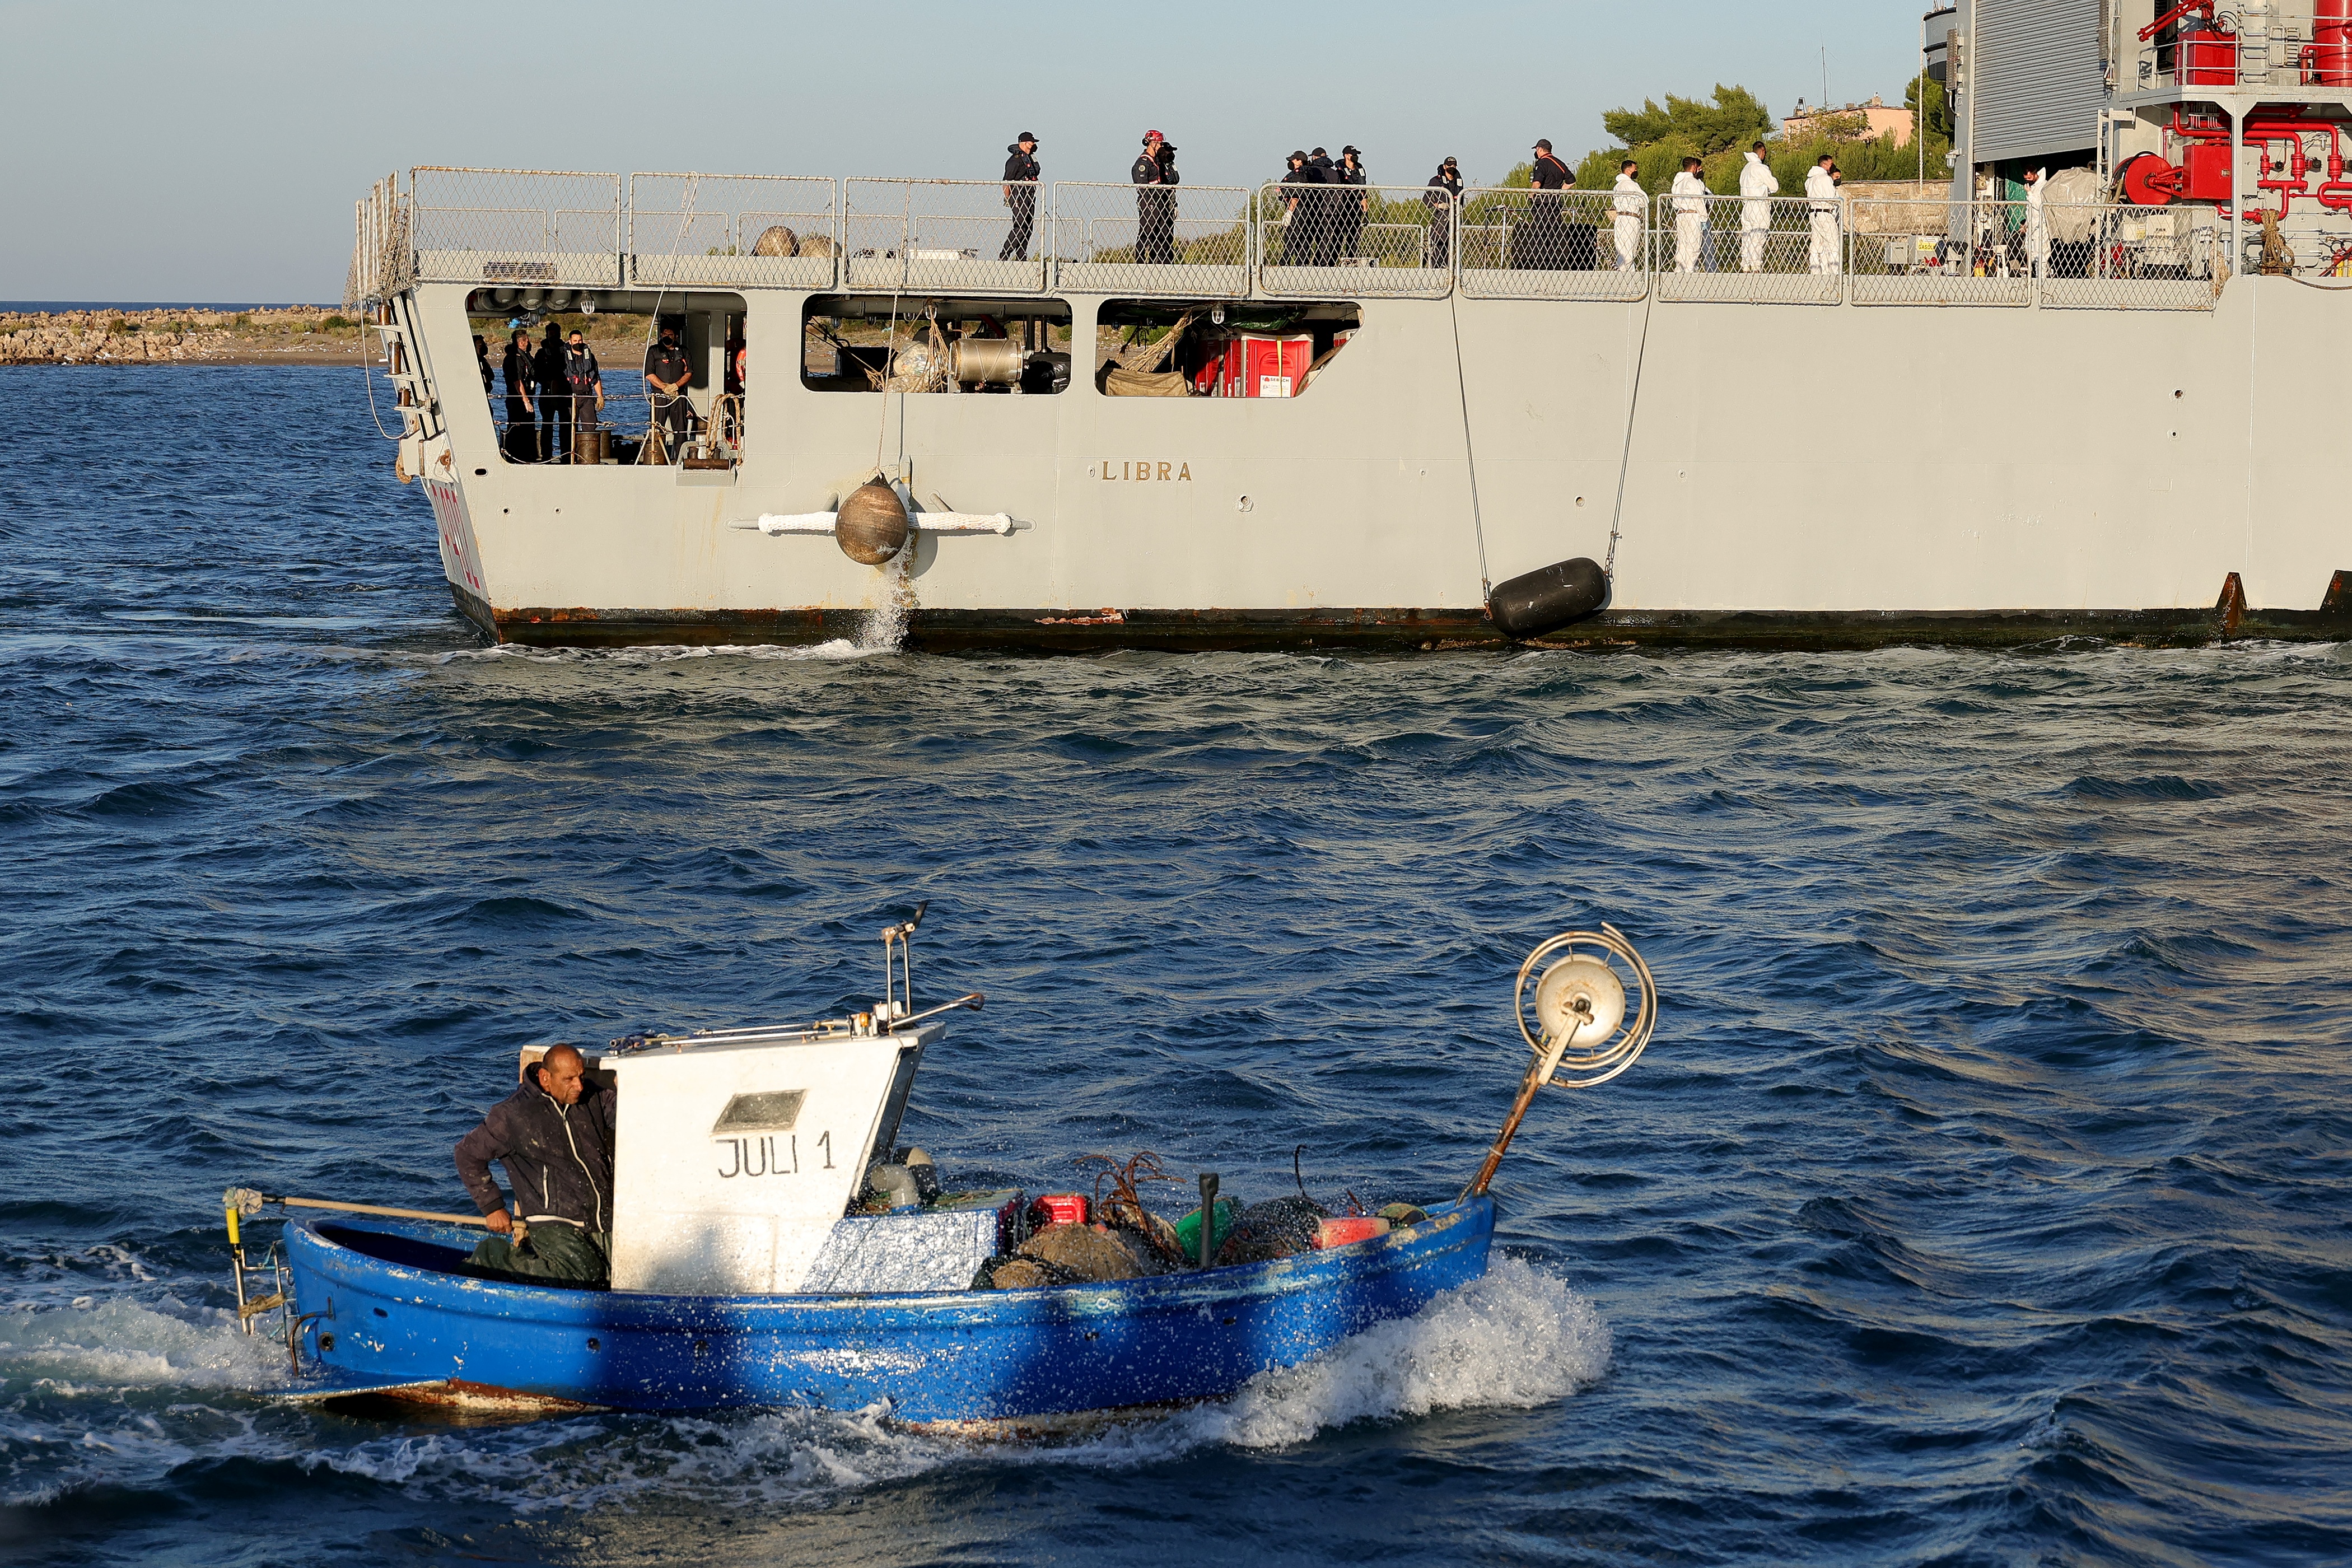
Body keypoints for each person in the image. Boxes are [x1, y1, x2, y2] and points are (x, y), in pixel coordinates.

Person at [453, 1044, 616, 1285]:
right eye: (569, 1079)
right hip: (553, 1219)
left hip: (603, 1216)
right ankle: (492, 1258)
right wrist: (492, 1206)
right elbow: (467, 1154)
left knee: (623, 1272)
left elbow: (628, 1114)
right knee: (584, 1273)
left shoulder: (591, 1096)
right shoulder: (512, 1114)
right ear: (545, 1078)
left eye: (581, 1077)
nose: (579, 1086)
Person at [643, 324, 693, 458]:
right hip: (659, 396)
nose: (667, 337)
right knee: (657, 428)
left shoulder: (684, 351)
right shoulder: (654, 351)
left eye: (670, 335)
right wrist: (665, 387)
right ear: (661, 335)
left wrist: (676, 386)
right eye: (665, 334)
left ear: (676, 337)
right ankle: (656, 459)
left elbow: (689, 373)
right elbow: (649, 374)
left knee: (680, 430)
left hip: (678, 396)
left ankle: (680, 459)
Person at [1526, 137, 1573, 268]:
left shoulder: (1542, 163)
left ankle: (1540, 262)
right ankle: (1554, 262)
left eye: (1537, 149)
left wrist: (1531, 195)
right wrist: (1559, 192)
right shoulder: (1559, 163)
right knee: (1554, 232)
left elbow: (1537, 183)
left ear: (1540, 149)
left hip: (1542, 204)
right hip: (1556, 203)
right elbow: (1571, 181)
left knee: (1540, 232)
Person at [1132, 130, 1178, 264]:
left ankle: (1163, 263)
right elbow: (1142, 186)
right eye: (1158, 144)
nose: (1160, 147)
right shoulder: (1143, 162)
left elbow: (1173, 179)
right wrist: (1150, 202)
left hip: (1160, 202)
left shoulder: (1158, 162)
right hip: (1149, 201)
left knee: (1164, 232)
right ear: (1151, 143)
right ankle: (1140, 261)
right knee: (1147, 231)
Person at [1738, 140, 1779, 273]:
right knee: (1759, 235)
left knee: (1747, 235)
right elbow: (1774, 187)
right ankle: (1756, 265)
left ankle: (1745, 263)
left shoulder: (1746, 169)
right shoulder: (1760, 168)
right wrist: (1766, 189)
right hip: (1759, 205)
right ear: (1762, 152)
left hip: (1746, 206)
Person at [1000, 132, 1041, 262]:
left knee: (1028, 228)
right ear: (1024, 143)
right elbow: (1006, 183)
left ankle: (1021, 257)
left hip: (1030, 194)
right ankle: (1004, 256)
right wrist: (1009, 200)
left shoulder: (1031, 159)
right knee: (1020, 226)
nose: (1033, 145)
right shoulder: (1014, 161)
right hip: (1018, 194)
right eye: (1031, 142)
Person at [534, 322, 572, 462]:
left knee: (566, 425)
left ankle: (566, 454)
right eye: (551, 335)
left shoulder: (566, 351)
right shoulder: (541, 353)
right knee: (547, 425)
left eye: (556, 334)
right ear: (547, 335)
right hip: (547, 392)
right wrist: (548, 382)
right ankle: (546, 455)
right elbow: (536, 373)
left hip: (564, 391)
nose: (554, 337)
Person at [563, 329, 603, 458]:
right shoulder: (563, 356)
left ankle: (587, 457)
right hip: (570, 397)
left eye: (580, 340)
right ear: (570, 341)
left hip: (586, 396)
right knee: (568, 428)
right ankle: (568, 457)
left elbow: (596, 378)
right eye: (575, 341)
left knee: (590, 426)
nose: (578, 343)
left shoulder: (589, 356)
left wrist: (600, 397)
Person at [500, 328, 538, 461]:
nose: (528, 342)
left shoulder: (525, 356)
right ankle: (517, 456)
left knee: (527, 427)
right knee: (518, 427)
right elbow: (518, 381)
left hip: (526, 396)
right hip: (518, 400)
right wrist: (526, 401)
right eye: (526, 340)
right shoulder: (515, 359)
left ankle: (526, 455)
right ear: (521, 342)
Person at [1280, 150, 1321, 265]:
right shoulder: (1306, 173)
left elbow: (1296, 195)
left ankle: (1284, 263)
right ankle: (1301, 264)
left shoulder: (1300, 175)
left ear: (1299, 161)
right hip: (1305, 210)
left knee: (1292, 238)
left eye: (1293, 160)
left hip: (1299, 210)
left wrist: (1290, 212)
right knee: (1303, 240)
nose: (1291, 162)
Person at [1805, 153, 1842, 276]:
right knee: (1833, 244)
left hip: (1813, 213)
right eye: (1831, 164)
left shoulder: (1810, 180)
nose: (1833, 166)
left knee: (1817, 244)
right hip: (1825, 213)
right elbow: (1831, 197)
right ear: (1825, 165)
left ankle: (1816, 270)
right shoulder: (1825, 179)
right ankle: (1835, 272)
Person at [1670, 156, 1707, 274]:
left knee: (1682, 244)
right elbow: (1699, 201)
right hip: (1692, 214)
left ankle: (1679, 269)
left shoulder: (1678, 183)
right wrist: (1704, 218)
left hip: (1681, 214)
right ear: (1694, 167)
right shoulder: (1693, 182)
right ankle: (1690, 270)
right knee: (1693, 244)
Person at [1424, 156, 1462, 269]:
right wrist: (1438, 205)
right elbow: (1426, 199)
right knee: (1440, 240)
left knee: (1452, 242)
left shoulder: (1458, 181)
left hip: (1455, 216)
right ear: (1445, 166)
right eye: (1450, 165)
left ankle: (1449, 265)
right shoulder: (1436, 181)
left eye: (1454, 166)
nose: (1452, 168)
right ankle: (1437, 265)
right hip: (1441, 216)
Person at [1333, 146, 1368, 263]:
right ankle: (1332, 262)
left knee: (1354, 234)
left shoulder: (1360, 168)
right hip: (1343, 205)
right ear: (1346, 155)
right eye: (1353, 154)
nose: (1356, 156)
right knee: (1338, 234)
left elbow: (1364, 186)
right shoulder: (1339, 170)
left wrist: (1364, 200)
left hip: (1356, 204)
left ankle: (1351, 259)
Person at [1612, 158, 1645, 272]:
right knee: (1630, 247)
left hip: (1620, 217)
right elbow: (1644, 201)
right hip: (1631, 217)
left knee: (1621, 247)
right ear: (1629, 170)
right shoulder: (1631, 185)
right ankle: (1627, 272)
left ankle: (1622, 269)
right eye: (1635, 169)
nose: (1636, 171)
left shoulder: (1618, 186)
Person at [2023, 166, 2050, 276]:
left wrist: (2030, 194)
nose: (2028, 180)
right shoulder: (2033, 187)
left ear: (2035, 175)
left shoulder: (2044, 186)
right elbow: (2030, 209)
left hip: (2041, 225)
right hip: (2032, 225)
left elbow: (2039, 205)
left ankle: (2043, 277)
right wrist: (2026, 223)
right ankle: (2036, 276)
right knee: (2032, 252)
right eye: (2026, 178)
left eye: (2030, 177)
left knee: (2041, 252)